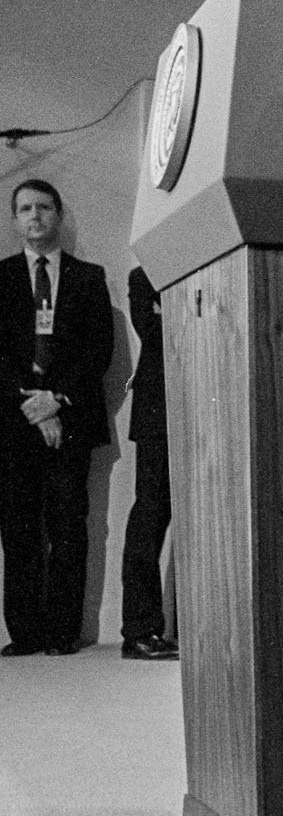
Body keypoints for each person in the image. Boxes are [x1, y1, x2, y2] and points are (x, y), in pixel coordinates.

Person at [0, 179, 113, 657]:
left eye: (43, 207)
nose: (35, 216)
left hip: (71, 422)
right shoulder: (0, 277)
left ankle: (63, 633)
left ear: (59, 214)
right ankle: (24, 634)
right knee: (19, 528)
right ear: (13, 219)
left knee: (69, 526)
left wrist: (57, 400)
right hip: (13, 426)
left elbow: (98, 353)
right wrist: (32, 405)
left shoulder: (90, 277)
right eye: (24, 209)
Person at [118, 266, 178, 659]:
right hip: (159, 410)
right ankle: (139, 630)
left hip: (208, 396)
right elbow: (157, 336)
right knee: (151, 514)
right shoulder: (144, 275)